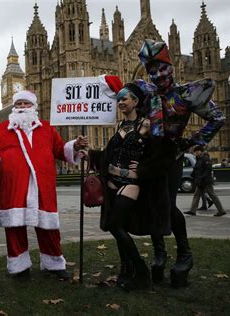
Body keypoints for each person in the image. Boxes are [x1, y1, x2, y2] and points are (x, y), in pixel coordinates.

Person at [135, 39, 225, 288]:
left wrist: (191, 142)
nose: (158, 74)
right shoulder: (148, 96)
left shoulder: (185, 94)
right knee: (153, 205)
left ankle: (185, 253)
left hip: (171, 157)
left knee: (168, 205)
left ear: (171, 67)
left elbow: (217, 118)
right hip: (149, 158)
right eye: (152, 70)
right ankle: (160, 252)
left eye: (162, 68)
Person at [0, 90, 88, 280]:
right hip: (13, 185)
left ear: (33, 107)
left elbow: (60, 150)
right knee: (15, 226)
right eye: (18, 104)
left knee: (48, 227)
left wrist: (75, 147)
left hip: (41, 185)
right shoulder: (4, 127)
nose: (22, 107)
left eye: (25, 104)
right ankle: (19, 266)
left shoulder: (46, 128)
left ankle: (53, 263)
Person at [89, 83, 175, 290]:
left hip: (131, 183)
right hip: (113, 182)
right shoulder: (120, 126)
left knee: (114, 225)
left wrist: (144, 168)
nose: (120, 103)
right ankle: (127, 268)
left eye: (124, 99)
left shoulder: (146, 124)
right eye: (118, 100)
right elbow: (111, 154)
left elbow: (163, 153)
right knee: (118, 226)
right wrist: (90, 154)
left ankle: (140, 269)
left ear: (135, 101)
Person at [184, 146, 226, 217]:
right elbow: (197, 168)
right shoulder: (199, 158)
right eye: (195, 152)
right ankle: (192, 210)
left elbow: (208, 170)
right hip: (200, 181)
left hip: (206, 181)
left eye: (196, 151)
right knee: (196, 195)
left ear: (200, 151)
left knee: (212, 195)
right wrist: (194, 174)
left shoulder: (205, 158)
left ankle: (221, 211)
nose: (195, 153)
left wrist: (201, 177)